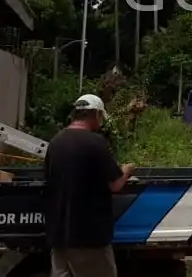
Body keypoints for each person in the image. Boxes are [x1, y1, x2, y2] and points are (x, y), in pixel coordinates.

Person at [44, 94, 135, 277]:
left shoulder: (55, 142)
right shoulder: (95, 143)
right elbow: (115, 185)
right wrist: (126, 171)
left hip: (59, 236)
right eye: (100, 117)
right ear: (95, 115)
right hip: (88, 238)